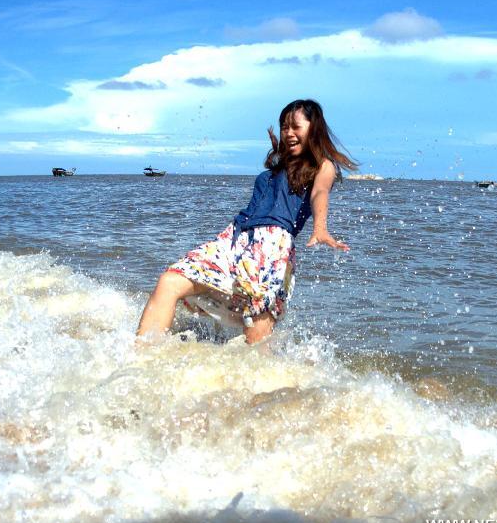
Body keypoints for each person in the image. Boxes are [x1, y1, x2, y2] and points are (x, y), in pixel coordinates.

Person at [136, 99, 357, 345]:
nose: (288, 133)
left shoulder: (322, 166)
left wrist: (320, 228)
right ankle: (142, 358)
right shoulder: (271, 174)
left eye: (295, 126)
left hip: (273, 248)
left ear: (314, 129)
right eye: (284, 127)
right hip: (235, 239)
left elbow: (320, 193)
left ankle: (267, 379)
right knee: (170, 281)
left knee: (257, 327)